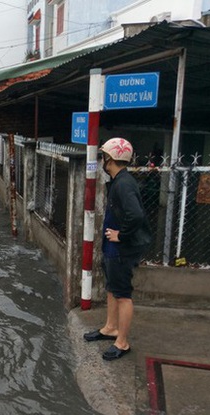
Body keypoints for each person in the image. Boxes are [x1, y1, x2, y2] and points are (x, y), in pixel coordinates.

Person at [83, 137, 152, 361]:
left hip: (122, 249)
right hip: (114, 249)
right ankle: (110, 328)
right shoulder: (119, 180)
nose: (102, 160)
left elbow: (137, 215)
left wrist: (120, 236)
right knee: (112, 288)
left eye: (104, 156)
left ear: (110, 159)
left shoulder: (123, 184)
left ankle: (122, 342)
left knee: (122, 295)